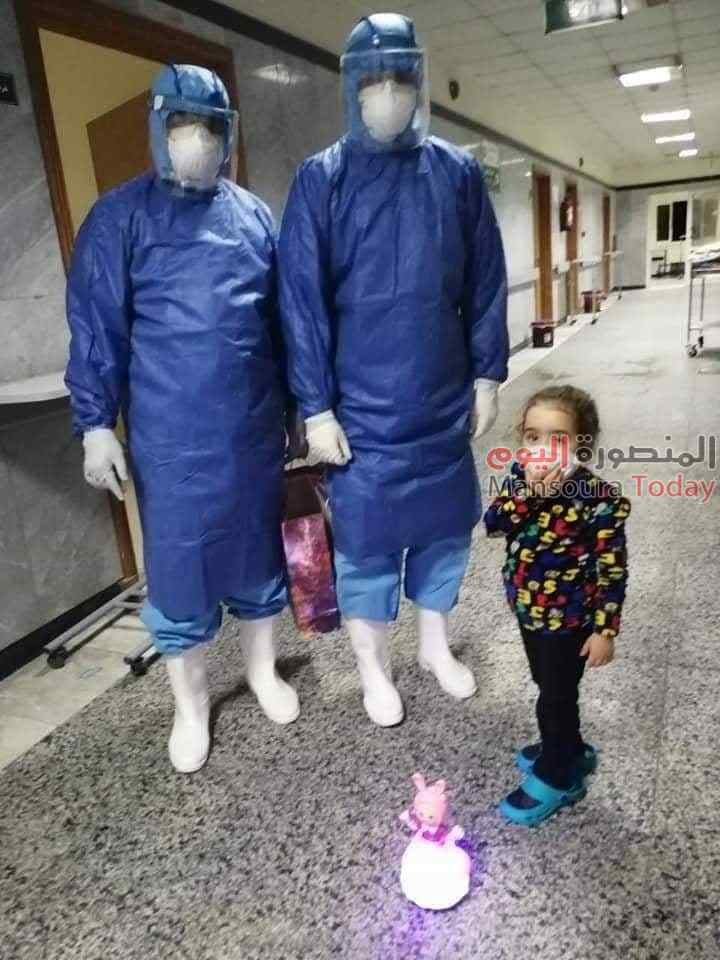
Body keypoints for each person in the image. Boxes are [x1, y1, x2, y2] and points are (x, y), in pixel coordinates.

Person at [65, 64, 299, 775]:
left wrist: (297, 407)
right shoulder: (119, 218)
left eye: (210, 127)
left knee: (258, 559)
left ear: (228, 134)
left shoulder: (252, 216)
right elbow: (97, 327)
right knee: (180, 571)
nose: (197, 140)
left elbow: (281, 325)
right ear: (158, 128)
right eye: (182, 125)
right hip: (169, 442)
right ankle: (191, 706)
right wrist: (95, 423)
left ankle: (262, 671)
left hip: (252, 431)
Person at [278, 14, 509, 726]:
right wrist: (315, 406)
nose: (387, 95)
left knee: (444, 536)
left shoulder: (456, 172)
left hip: (441, 402)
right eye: (372, 82)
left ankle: (436, 648)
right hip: (361, 413)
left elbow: (485, 279)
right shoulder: (322, 179)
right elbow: (301, 301)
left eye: (399, 80)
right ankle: (373, 670)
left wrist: (487, 374)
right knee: (367, 550)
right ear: (352, 88)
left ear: (418, 82)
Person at [483, 385, 631, 825]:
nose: (542, 449)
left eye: (557, 439)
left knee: (555, 697)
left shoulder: (598, 498)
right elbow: (494, 524)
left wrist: (604, 630)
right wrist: (527, 494)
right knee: (546, 681)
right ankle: (571, 747)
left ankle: (558, 774)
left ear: (582, 445)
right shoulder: (519, 477)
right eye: (532, 437)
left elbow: (612, 570)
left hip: (569, 620)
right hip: (528, 609)